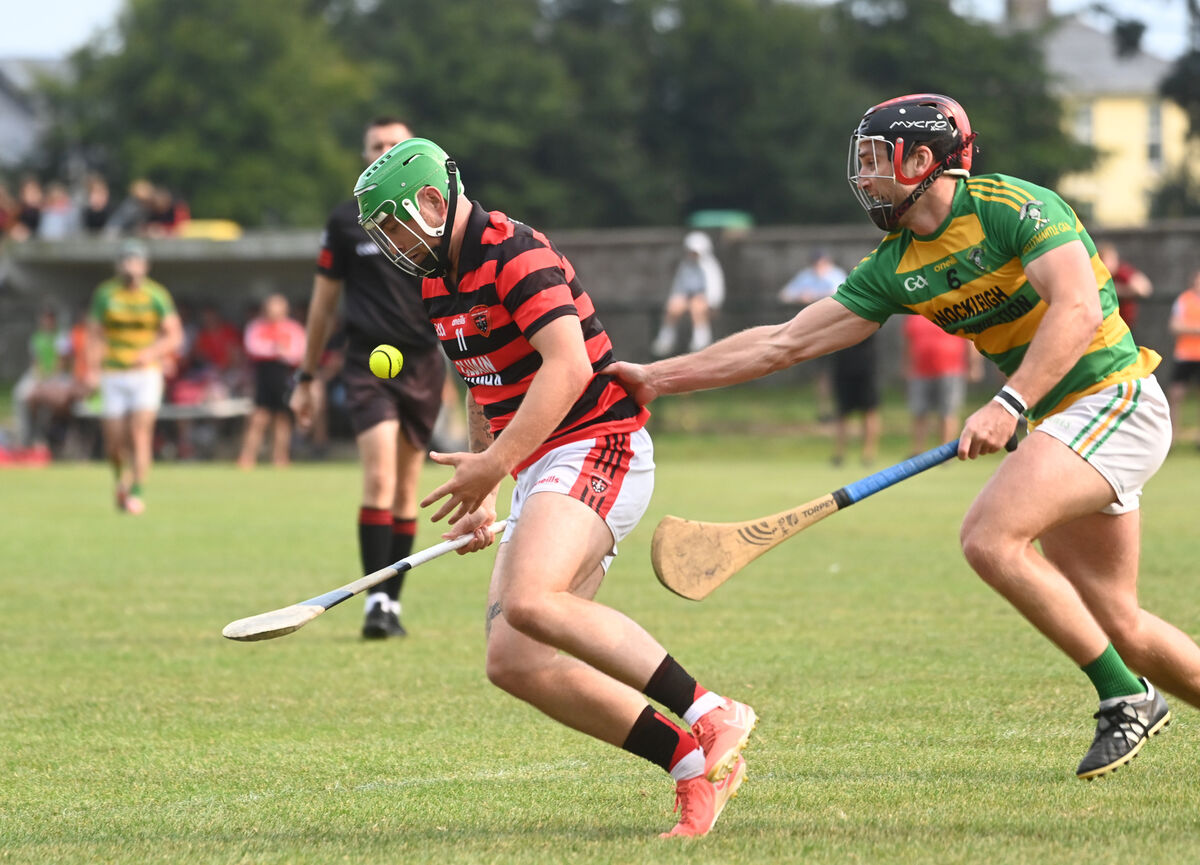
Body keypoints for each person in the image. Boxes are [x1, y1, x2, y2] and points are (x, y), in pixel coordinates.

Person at [613, 93, 1198, 782]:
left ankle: (1123, 692)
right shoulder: (896, 265)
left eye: (874, 162)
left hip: (1115, 398)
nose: (864, 179)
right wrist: (658, 376)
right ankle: (1132, 676)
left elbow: (1074, 307)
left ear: (923, 159)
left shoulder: (1013, 208)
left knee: (989, 536)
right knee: (1121, 623)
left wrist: (1009, 402)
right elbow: (781, 342)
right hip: (1062, 425)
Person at [354, 137, 756, 837]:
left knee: (532, 599)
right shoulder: (435, 280)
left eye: (392, 224)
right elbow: (483, 385)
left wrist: (494, 466)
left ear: (429, 201)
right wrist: (484, 491)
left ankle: (709, 710)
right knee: (514, 658)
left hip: (600, 440)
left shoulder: (515, 251)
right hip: (541, 459)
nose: (390, 244)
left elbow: (566, 367)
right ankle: (692, 766)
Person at [289, 116, 448, 639]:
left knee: (406, 491)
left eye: (394, 144)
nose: (384, 150)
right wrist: (307, 376)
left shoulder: (434, 217)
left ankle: (390, 604)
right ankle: (374, 600)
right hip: (368, 362)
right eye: (376, 146)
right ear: (365, 156)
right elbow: (322, 304)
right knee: (379, 479)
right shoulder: (344, 222)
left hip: (424, 362)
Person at [85, 240, 183, 514]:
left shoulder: (156, 295)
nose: (131, 266)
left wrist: (151, 352)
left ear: (145, 265)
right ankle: (121, 481)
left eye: (136, 260)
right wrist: (91, 370)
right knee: (114, 440)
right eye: (126, 260)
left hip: (145, 374)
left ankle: (137, 492)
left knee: (140, 434)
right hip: (113, 373)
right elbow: (94, 335)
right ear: (118, 265)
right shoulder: (105, 294)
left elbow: (174, 335)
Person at [237, 294, 306, 468]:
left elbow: (298, 352)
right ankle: (247, 458)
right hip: (264, 376)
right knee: (258, 418)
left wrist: (285, 353)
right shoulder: (256, 326)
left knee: (282, 419)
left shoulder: (293, 328)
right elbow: (253, 347)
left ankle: (280, 458)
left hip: (284, 376)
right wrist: (276, 349)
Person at [779, 249, 846, 423]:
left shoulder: (837, 275)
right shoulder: (806, 276)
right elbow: (785, 295)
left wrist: (815, 297)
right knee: (822, 374)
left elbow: (842, 296)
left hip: (837, 330)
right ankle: (825, 410)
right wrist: (801, 297)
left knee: (840, 373)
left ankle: (842, 408)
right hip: (817, 332)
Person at [904, 313, 983, 454]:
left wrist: (974, 364)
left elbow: (970, 338)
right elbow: (908, 341)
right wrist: (906, 364)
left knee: (947, 412)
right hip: (920, 370)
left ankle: (945, 453)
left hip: (950, 369)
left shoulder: (952, 309)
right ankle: (917, 452)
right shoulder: (915, 313)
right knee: (919, 412)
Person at [651, 230, 726, 357]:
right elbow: (678, 286)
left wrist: (712, 304)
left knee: (697, 306)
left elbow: (715, 288)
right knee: (674, 306)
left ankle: (701, 340)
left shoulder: (710, 266)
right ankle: (666, 339)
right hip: (687, 298)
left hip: (702, 300)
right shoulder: (685, 265)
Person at [1167, 268, 1200, 449]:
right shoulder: (1183, 300)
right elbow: (1174, 326)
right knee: (1176, 395)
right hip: (1185, 356)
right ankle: (1171, 439)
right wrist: (1194, 330)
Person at [1098, 243, 1153, 334]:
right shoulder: (1098, 276)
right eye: (1108, 259)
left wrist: (1117, 291)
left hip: (1125, 326)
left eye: (1113, 259)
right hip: (1106, 326)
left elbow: (1145, 289)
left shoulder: (1122, 272)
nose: (1113, 262)